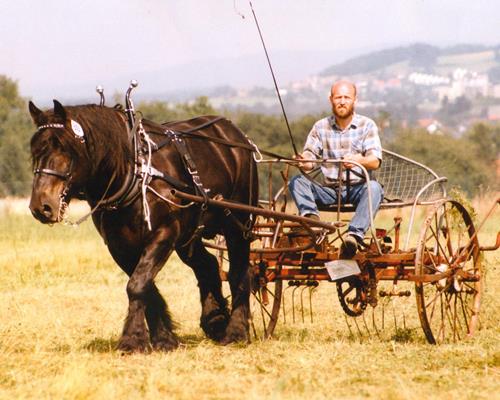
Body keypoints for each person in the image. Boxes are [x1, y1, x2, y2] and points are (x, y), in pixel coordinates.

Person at [289, 80, 384, 258]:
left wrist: (358, 160)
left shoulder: (367, 125)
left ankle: (353, 236)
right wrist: (303, 162)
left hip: (358, 188)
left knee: (374, 188)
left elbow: (375, 161)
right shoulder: (320, 127)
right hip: (330, 190)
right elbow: (310, 160)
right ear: (330, 99)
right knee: (297, 181)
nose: (342, 101)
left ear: (355, 100)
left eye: (346, 97)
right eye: (338, 97)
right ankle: (312, 222)